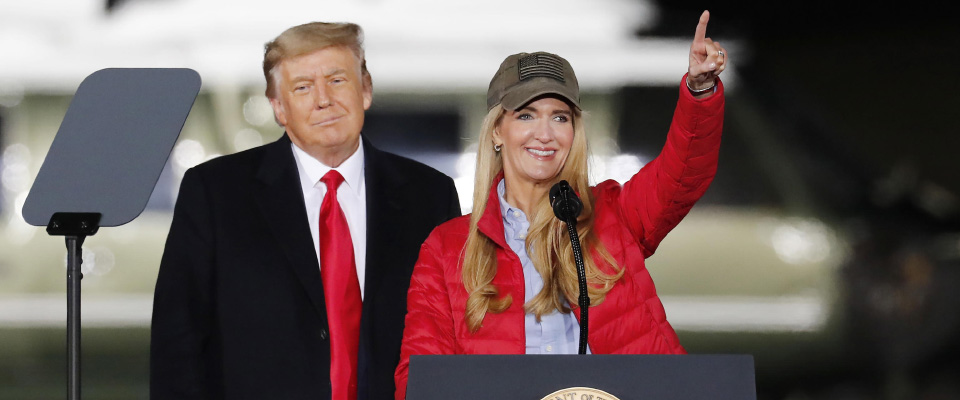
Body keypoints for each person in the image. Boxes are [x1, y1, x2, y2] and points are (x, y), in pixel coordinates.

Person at [393, 11, 726, 399]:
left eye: (560, 117)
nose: (545, 134)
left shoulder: (611, 214)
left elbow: (682, 175)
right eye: (526, 115)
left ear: (574, 131)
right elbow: (419, 379)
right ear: (497, 131)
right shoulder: (446, 248)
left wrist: (699, 93)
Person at [150, 22, 461, 400]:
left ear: (366, 90)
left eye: (336, 80)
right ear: (278, 107)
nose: (323, 99)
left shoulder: (429, 195)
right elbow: (177, 342)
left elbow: (452, 337)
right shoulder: (215, 192)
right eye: (302, 87)